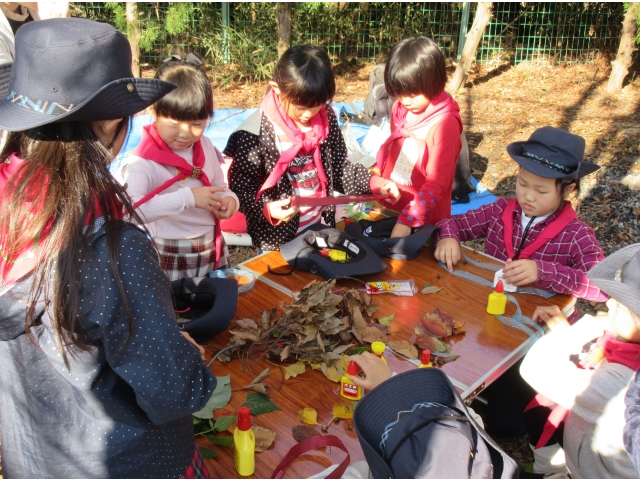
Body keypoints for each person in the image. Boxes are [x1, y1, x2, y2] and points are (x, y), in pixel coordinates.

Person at [0, 18, 215, 478]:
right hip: (130, 462)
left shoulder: (11, 207)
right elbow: (172, 389)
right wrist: (188, 359)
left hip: (37, 457)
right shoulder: (108, 245)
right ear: (109, 124)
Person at [224, 44, 399, 251]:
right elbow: (241, 190)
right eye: (301, 107)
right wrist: (267, 209)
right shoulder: (254, 134)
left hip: (317, 228)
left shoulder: (325, 120)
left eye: (317, 104)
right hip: (276, 241)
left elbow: (338, 168)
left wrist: (374, 183)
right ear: (276, 89)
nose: (309, 114)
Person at [435, 126, 606, 323]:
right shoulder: (499, 210)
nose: (528, 196)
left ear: (567, 189)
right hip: (491, 309)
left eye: (541, 191)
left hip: (540, 324)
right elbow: (451, 222)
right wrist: (448, 236)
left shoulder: (577, 234)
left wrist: (542, 271)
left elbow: (602, 287)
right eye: (523, 184)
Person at [518, 243, 640, 478]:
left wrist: (589, 325)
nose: (609, 303)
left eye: (621, 304)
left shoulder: (622, 383)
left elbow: (536, 368)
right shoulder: (628, 352)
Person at [118, 55, 238, 280]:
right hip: (169, 251)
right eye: (174, 123)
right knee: (177, 310)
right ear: (154, 111)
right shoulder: (143, 162)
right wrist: (189, 198)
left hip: (210, 244)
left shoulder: (204, 146)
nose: (185, 133)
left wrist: (230, 200)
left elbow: (219, 186)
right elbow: (130, 212)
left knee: (214, 305)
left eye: (197, 124)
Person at [372, 36, 463, 238]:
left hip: (422, 216)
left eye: (412, 94)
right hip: (393, 202)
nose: (405, 100)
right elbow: (396, 150)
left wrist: (409, 218)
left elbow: (437, 182)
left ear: (435, 82)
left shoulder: (444, 125)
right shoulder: (400, 108)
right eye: (400, 92)